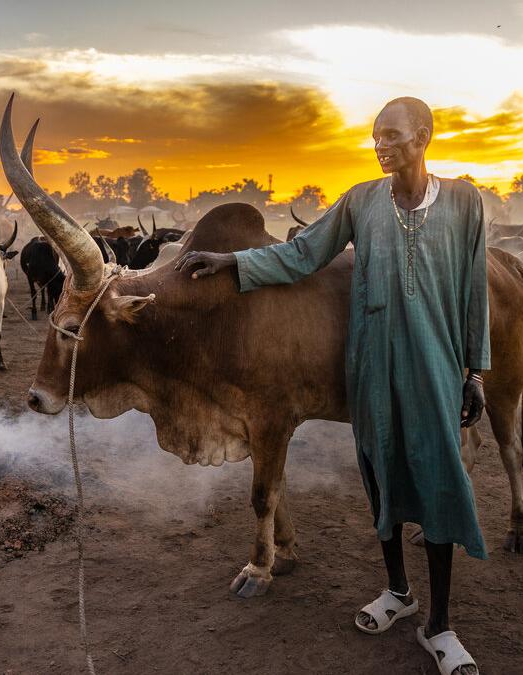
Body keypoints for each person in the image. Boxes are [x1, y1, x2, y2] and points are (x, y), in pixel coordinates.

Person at [178, 97, 486, 675]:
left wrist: (475, 372)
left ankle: (440, 625)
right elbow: (302, 254)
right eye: (375, 136)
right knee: (383, 479)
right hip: (370, 366)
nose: (381, 145)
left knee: (439, 483)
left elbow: (474, 294)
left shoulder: (466, 203)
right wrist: (233, 264)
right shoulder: (361, 200)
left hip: (435, 369)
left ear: (423, 136)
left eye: (391, 135)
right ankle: (398, 592)